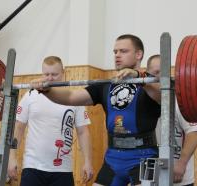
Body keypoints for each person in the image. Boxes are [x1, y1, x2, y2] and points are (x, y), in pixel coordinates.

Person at [33, 34, 161, 186]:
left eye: (123, 51)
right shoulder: (106, 85)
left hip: (145, 157)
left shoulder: (152, 84)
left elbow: (160, 93)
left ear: (138, 54)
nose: (117, 55)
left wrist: (139, 75)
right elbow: (71, 96)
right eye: (115, 52)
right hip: (113, 158)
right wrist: (46, 90)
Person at [7, 56, 93, 186]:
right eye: (46, 74)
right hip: (32, 167)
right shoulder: (30, 95)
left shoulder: (74, 98)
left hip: (62, 170)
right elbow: (18, 128)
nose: (50, 78)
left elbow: (83, 132)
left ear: (63, 73)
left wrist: (87, 161)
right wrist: (11, 157)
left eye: (54, 74)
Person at [147, 54, 197, 186]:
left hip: (178, 176)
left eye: (163, 72)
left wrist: (181, 164)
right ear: (147, 75)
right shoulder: (145, 102)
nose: (159, 77)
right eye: (155, 73)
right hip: (152, 177)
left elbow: (194, 132)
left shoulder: (181, 102)